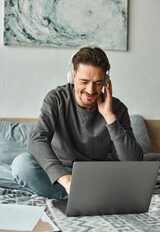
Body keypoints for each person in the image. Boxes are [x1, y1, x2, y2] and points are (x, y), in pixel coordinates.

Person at [12, 46, 143, 200]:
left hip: (97, 175)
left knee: (135, 177)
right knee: (22, 165)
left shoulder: (117, 109)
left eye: (98, 82)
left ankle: (85, 196)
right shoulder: (57, 99)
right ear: (72, 76)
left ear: (106, 82)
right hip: (62, 172)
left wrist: (109, 116)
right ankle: (86, 196)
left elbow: (133, 162)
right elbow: (36, 140)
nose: (90, 90)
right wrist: (65, 178)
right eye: (84, 81)